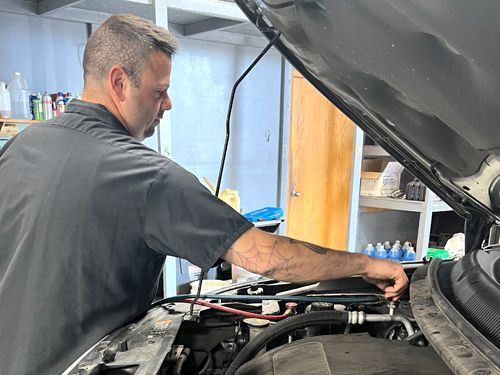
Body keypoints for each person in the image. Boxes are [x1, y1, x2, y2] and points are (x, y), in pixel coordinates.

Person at [0, 14, 408, 375]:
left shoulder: (20, 146)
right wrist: (364, 263)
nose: (168, 104)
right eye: (159, 91)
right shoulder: (148, 177)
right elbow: (264, 257)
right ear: (119, 82)